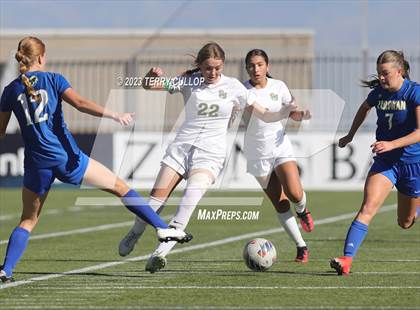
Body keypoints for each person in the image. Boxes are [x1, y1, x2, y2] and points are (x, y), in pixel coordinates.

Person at [0, 36, 192, 283]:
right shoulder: (55, 80)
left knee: (27, 220)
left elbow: (1, 130)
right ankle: (162, 228)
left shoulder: (11, 90)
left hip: (36, 164)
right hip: (67, 158)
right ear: (41, 57)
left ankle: (6, 270)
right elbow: (80, 104)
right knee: (121, 187)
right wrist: (115, 114)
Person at [118, 42, 297, 273]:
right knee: (154, 203)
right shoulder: (189, 81)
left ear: (223, 66)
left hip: (210, 155)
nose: (213, 73)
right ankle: (135, 233)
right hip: (181, 148)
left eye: (217, 68)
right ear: (199, 66)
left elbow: (263, 113)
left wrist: (286, 111)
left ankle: (159, 254)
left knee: (188, 202)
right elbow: (148, 86)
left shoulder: (234, 87)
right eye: (208, 68)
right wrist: (149, 77)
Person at [330, 50, 420, 276]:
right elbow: (363, 109)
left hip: (413, 164)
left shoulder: (414, 92)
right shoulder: (379, 93)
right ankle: (346, 260)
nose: (381, 78)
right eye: (379, 73)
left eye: (385, 73)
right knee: (367, 208)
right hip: (386, 163)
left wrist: (392, 144)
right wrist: (350, 135)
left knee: (405, 223)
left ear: (399, 72)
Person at [243, 49, 314, 263]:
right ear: (247, 68)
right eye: (251, 65)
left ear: (267, 66)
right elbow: (266, 115)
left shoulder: (279, 86)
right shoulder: (243, 91)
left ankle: (302, 210)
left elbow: (291, 110)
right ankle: (301, 246)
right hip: (257, 154)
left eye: (260, 64)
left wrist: (300, 114)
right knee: (280, 203)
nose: (256, 69)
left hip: (280, 147)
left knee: (294, 192)